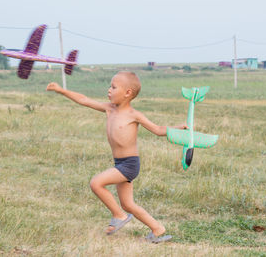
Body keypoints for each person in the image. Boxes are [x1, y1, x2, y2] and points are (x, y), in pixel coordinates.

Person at [46, 71, 187, 243]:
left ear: (128, 93)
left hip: (129, 164)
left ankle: (119, 215)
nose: (109, 90)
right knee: (128, 204)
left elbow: (158, 130)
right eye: (109, 86)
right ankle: (157, 229)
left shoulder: (134, 115)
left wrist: (179, 127)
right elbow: (83, 99)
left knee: (96, 183)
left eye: (113, 87)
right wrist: (61, 90)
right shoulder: (109, 108)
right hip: (119, 162)